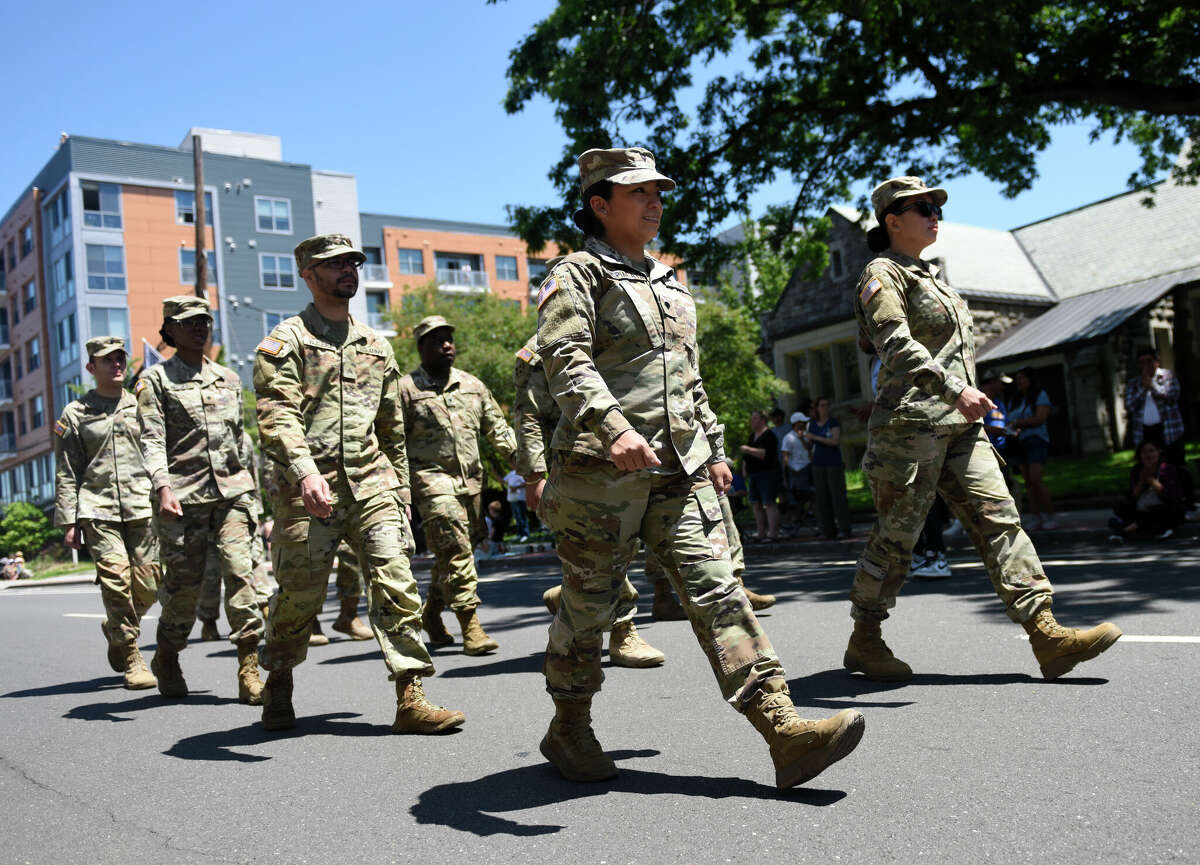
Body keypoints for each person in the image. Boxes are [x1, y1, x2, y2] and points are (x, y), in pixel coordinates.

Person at [534, 145, 863, 789]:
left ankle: (783, 729)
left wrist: (711, 446)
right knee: (590, 604)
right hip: (600, 475)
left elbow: (688, 378)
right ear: (600, 205)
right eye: (639, 194)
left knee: (719, 589)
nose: (655, 202)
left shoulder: (670, 281)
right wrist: (614, 428)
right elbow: (563, 360)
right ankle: (569, 726)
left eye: (658, 192)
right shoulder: (575, 276)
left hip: (678, 471)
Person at [847, 175, 1120, 683]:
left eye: (937, 207)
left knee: (1000, 519)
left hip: (961, 428)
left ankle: (1046, 634)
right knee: (896, 539)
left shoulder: (934, 277)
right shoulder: (881, 275)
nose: (935, 215)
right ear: (892, 220)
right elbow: (894, 346)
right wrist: (954, 389)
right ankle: (865, 637)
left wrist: (965, 396)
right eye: (923, 207)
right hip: (910, 428)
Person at [254, 233, 462, 734]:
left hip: (374, 485)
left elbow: (391, 426)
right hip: (310, 492)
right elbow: (276, 415)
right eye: (336, 264)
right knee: (299, 597)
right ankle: (278, 675)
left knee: (396, 581)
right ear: (308, 272)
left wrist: (402, 492)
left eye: (353, 262)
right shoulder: (287, 342)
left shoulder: (375, 345)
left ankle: (411, 694)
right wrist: (304, 472)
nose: (349, 270)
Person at [138, 296, 265, 704]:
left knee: (240, 572)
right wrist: (162, 486)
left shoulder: (228, 378)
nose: (198, 328)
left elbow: (240, 441)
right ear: (169, 330)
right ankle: (168, 655)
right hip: (184, 497)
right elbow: (152, 439)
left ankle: (249, 666)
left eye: (203, 321)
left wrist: (256, 497)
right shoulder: (156, 380)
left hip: (232, 493)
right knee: (183, 588)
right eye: (188, 322)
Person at [514, 334, 666, 666]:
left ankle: (569, 594)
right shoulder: (539, 349)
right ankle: (623, 632)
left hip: (628, 457)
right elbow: (529, 415)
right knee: (607, 547)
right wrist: (533, 476)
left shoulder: (612, 332)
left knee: (613, 553)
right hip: (573, 466)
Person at [399, 315, 517, 656]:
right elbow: (391, 441)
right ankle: (471, 625)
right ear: (421, 347)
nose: (446, 345)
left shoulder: (472, 385)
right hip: (432, 484)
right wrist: (399, 490)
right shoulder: (405, 391)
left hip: (473, 484)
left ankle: (432, 614)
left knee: (452, 554)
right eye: (436, 340)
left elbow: (498, 429)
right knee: (458, 552)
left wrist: (525, 464)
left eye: (449, 338)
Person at [53, 336, 160, 689]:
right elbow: (68, 470)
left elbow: (160, 453)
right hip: (98, 508)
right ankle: (131, 656)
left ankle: (115, 627)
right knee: (117, 582)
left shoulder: (142, 405)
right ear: (91, 367)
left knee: (149, 584)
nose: (116, 364)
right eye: (107, 360)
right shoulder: (76, 413)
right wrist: (69, 519)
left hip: (142, 505)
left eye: (120, 358)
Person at [196, 431, 277, 642]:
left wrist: (256, 509)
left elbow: (251, 476)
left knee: (252, 560)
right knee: (211, 569)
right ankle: (209, 622)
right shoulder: (197, 435)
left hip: (238, 506)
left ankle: (266, 611)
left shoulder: (243, 439)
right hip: (204, 507)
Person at [1125, 347, 1192, 508]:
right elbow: (1130, 405)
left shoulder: (1168, 376)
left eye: (1149, 361)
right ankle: (1158, 504)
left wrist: (1152, 386)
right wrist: (1143, 388)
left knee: (1178, 467)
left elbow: (1172, 397)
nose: (1146, 366)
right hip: (1146, 433)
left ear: (1157, 361)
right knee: (1151, 469)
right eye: (1142, 363)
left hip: (1169, 431)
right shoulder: (1134, 384)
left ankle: (1188, 502)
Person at [1009, 366, 1058, 529]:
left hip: (1036, 440)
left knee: (1036, 479)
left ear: (1030, 379)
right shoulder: (1015, 400)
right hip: (1019, 443)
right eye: (1017, 379)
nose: (1019, 382)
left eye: (1022, 378)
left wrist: (1017, 423)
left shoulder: (1040, 395)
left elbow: (1040, 418)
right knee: (1028, 482)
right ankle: (1037, 516)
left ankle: (1051, 515)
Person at [1108, 440, 1186, 542]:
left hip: (1163, 507)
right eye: (1144, 452)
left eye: (1151, 451)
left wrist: (1151, 480)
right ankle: (1154, 526)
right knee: (1120, 505)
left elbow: (1169, 496)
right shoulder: (1137, 469)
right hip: (1143, 508)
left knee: (1165, 511)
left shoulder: (1167, 469)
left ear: (1159, 452)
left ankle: (1124, 530)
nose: (1148, 455)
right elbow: (1133, 496)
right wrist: (1141, 481)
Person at [807, 397, 853, 538]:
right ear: (817, 408)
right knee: (822, 498)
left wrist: (814, 437)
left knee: (837, 496)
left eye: (827, 405)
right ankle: (827, 530)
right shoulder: (812, 424)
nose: (825, 408)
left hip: (833, 463)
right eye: (822, 405)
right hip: (818, 464)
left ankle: (844, 529)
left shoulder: (833, 422)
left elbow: (834, 441)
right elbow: (809, 446)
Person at [740, 410, 782, 542]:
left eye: (755, 418)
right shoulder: (752, 436)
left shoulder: (769, 435)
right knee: (756, 504)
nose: (752, 421)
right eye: (752, 419)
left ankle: (773, 534)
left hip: (768, 474)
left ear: (763, 420)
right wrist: (745, 469)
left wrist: (748, 449)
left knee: (769, 503)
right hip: (753, 475)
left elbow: (764, 454)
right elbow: (747, 458)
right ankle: (760, 533)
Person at [779, 410, 814, 531]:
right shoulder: (788, 437)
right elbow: (785, 457)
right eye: (802, 422)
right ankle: (794, 519)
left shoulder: (807, 434)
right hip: (795, 470)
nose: (805, 424)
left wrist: (803, 438)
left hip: (808, 467)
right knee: (797, 496)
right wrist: (786, 474)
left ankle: (809, 514)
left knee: (812, 494)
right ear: (796, 423)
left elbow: (809, 449)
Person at [503, 461, 530, 541]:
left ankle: (525, 534)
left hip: (520, 498)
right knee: (517, 518)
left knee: (522, 516)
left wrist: (516, 487)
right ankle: (519, 534)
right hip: (512, 499)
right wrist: (494, 473)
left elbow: (526, 482)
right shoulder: (511, 473)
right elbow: (503, 481)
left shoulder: (521, 473)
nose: (511, 464)